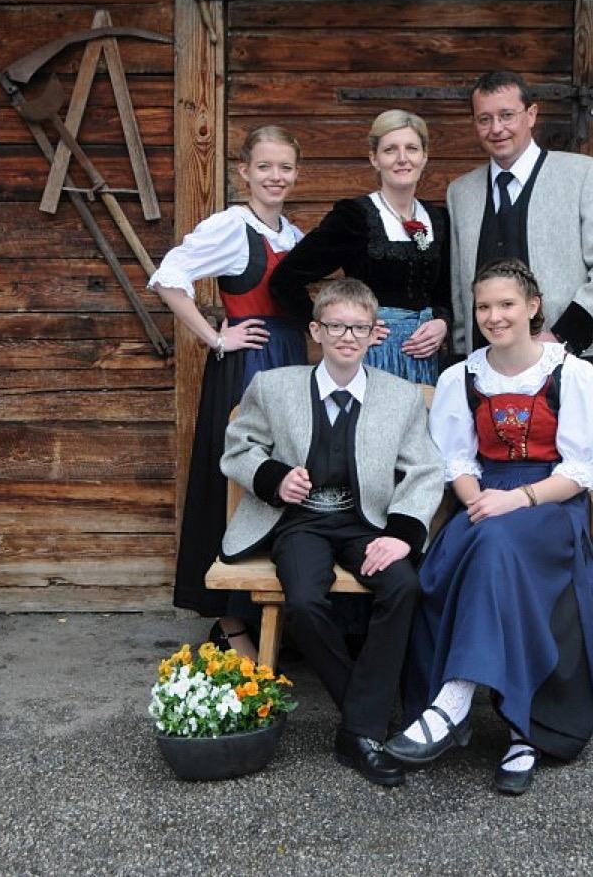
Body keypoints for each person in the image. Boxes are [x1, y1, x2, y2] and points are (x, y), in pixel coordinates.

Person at [386, 258, 593, 797]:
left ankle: (458, 704)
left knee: (495, 546)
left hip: (550, 504)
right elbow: (458, 463)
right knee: (477, 549)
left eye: (507, 304)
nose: (495, 316)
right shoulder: (461, 378)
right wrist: (479, 501)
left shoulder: (572, 374)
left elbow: (579, 472)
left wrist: (517, 500)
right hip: (485, 500)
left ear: (532, 307)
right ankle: (514, 732)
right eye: (484, 306)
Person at [221, 278, 443, 787]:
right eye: (337, 326)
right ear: (316, 330)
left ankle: (357, 729)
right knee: (303, 601)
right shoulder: (274, 386)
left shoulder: (400, 397)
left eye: (359, 328)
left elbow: (426, 470)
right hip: (299, 523)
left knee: (403, 586)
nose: (348, 336)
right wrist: (274, 478)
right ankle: (365, 719)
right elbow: (238, 447)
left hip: (368, 522)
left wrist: (402, 534)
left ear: (374, 333)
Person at [149, 126, 306, 660]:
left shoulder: (293, 235)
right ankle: (231, 619)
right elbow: (169, 278)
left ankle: (271, 609)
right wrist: (216, 338)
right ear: (244, 173)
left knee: (283, 479)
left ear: (296, 174)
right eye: (265, 167)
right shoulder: (232, 227)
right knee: (236, 482)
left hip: (290, 365)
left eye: (285, 167)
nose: (275, 177)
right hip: (248, 369)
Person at [446, 70, 593, 362]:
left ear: (531, 114)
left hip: (568, 359)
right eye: (484, 119)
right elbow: (460, 291)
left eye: (507, 115)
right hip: (484, 365)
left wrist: (563, 337)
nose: (496, 128)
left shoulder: (584, 175)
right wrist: (463, 357)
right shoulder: (461, 192)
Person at [270, 109, 450, 385]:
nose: (402, 158)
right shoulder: (354, 217)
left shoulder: (438, 218)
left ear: (424, 157)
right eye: (390, 150)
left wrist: (442, 322)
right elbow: (285, 280)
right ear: (374, 158)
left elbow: (445, 292)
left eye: (412, 149)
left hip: (426, 358)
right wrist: (344, 331)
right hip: (371, 356)